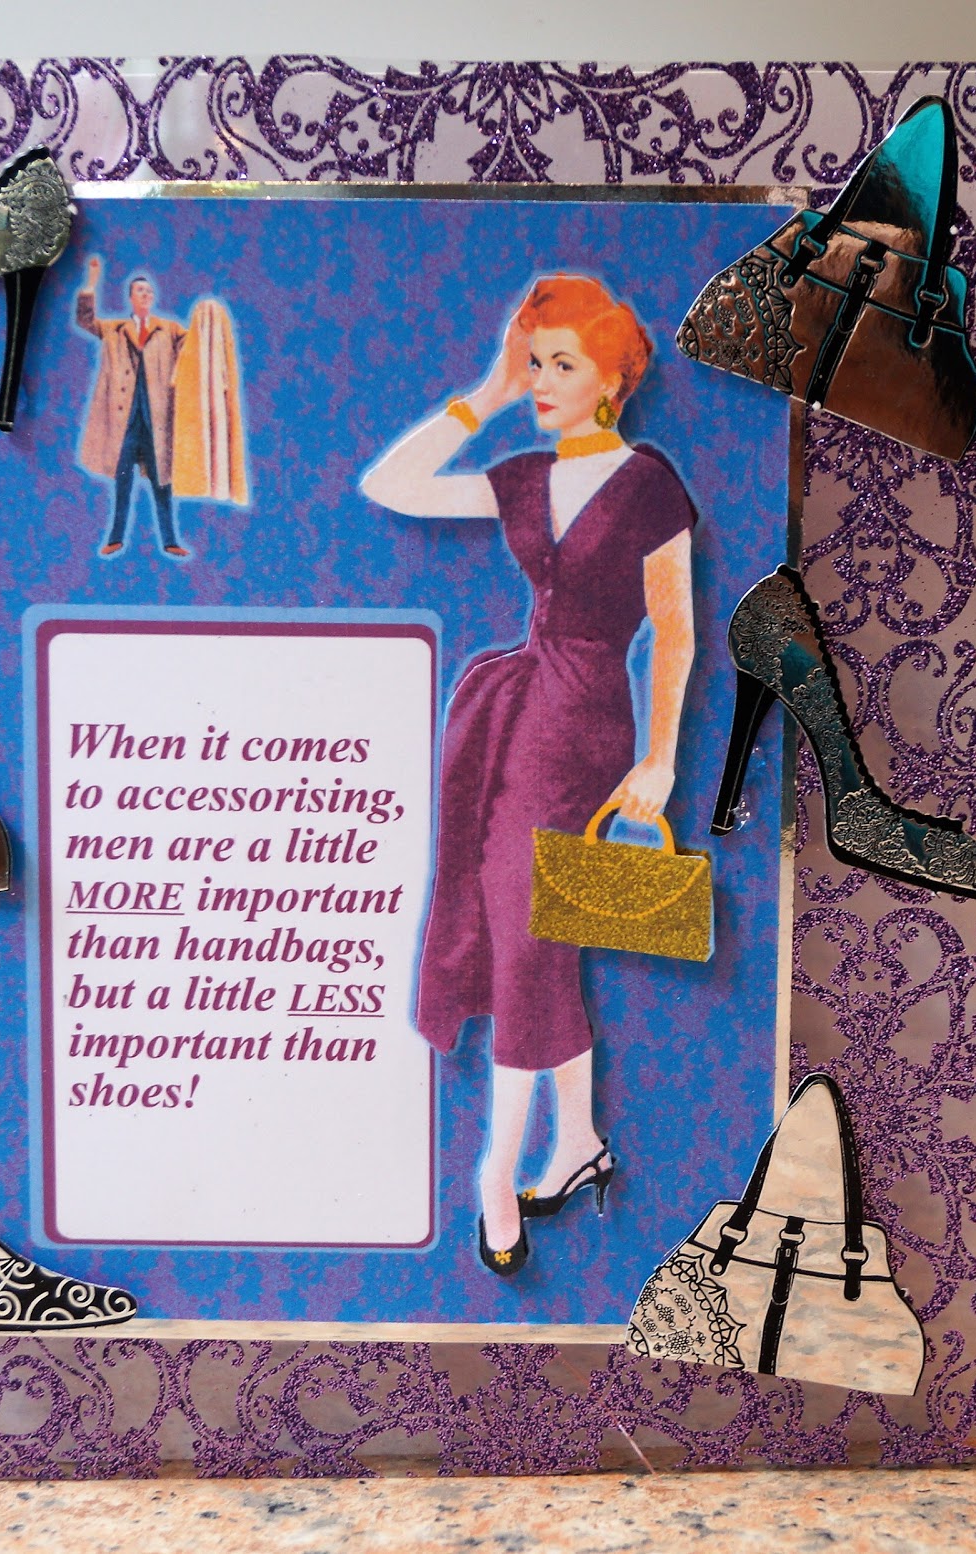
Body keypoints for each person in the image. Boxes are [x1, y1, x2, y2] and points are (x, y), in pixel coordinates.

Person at [362, 275, 698, 1274]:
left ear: (611, 381)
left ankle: (496, 1173)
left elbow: (674, 633)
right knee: (537, 942)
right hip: (514, 722)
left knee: (533, 942)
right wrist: (489, 391)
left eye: (561, 365)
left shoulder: (648, 484)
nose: (542, 381)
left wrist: (661, 757)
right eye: (535, 362)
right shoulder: (522, 476)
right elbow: (393, 483)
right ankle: (579, 1139)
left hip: (587, 729)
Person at [76, 258, 190, 558]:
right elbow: (85, 321)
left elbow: (193, 348)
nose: (146, 295)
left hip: (156, 422)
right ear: (130, 297)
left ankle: (170, 540)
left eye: (149, 292)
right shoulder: (114, 329)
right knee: (122, 482)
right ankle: (116, 538)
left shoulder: (169, 329)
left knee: (162, 482)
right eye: (140, 291)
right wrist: (92, 282)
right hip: (124, 422)